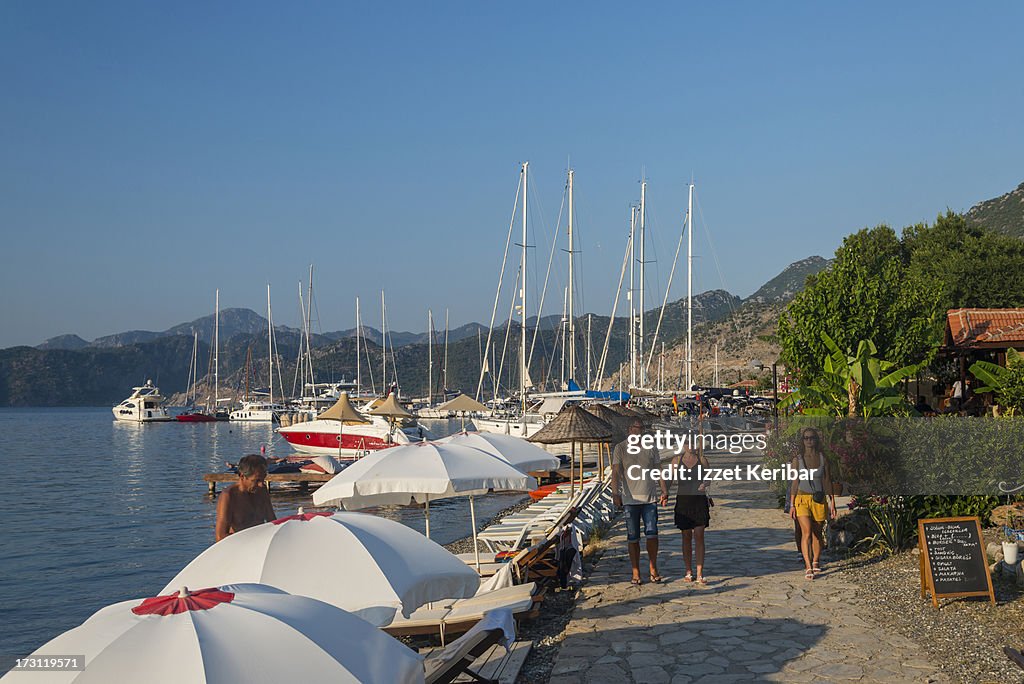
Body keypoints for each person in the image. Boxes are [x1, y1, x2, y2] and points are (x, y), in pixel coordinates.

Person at [610, 420, 669, 585]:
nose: (640, 431)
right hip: (630, 499)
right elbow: (615, 472)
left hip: (649, 498)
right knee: (632, 537)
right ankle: (635, 571)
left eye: (642, 428)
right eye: (637, 428)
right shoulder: (621, 448)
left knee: (652, 534)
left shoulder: (650, 447)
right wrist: (616, 493)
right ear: (630, 429)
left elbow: (658, 469)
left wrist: (664, 490)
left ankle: (653, 567)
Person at [788, 428, 836, 580]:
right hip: (802, 498)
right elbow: (794, 482)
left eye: (812, 438)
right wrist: (792, 504)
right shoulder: (798, 460)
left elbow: (827, 481)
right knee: (806, 531)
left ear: (816, 440)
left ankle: (816, 561)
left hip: (818, 499)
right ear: (802, 441)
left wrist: (832, 501)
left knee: (817, 534)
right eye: (806, 438)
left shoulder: (823, 459)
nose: (809, 441)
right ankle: (808, 566)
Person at [672, 443, 712, 584]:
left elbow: (709, 478)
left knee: (699, 535)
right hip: (683, 501)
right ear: (683, 444)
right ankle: (688, 571)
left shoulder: (702, 460)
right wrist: (663, 492)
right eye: (688, 443)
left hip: (699, 501)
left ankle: (700, 573)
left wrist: (705, 484)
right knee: (686, 536)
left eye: (694, 443)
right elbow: (670, 478)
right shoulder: (676, 460)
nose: (691, 446)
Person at [215, 454, 277, 541]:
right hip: (239, 546)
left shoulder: (262, 490)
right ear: (242, 476)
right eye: (256, 480)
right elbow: (220, 537)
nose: (261, 484)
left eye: (263, 479)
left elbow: (273, 522)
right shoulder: (229, 496)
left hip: (260, 543)